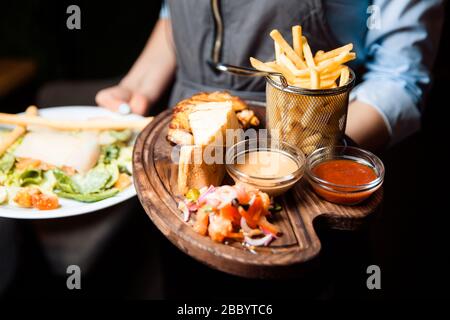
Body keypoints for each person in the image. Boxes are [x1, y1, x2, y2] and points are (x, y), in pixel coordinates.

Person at [96, 0, 444, 150]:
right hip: (183, 139)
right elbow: (178, 16)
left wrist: (303, 157)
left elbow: (398, 81)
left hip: (310, 152)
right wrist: (135, 86)